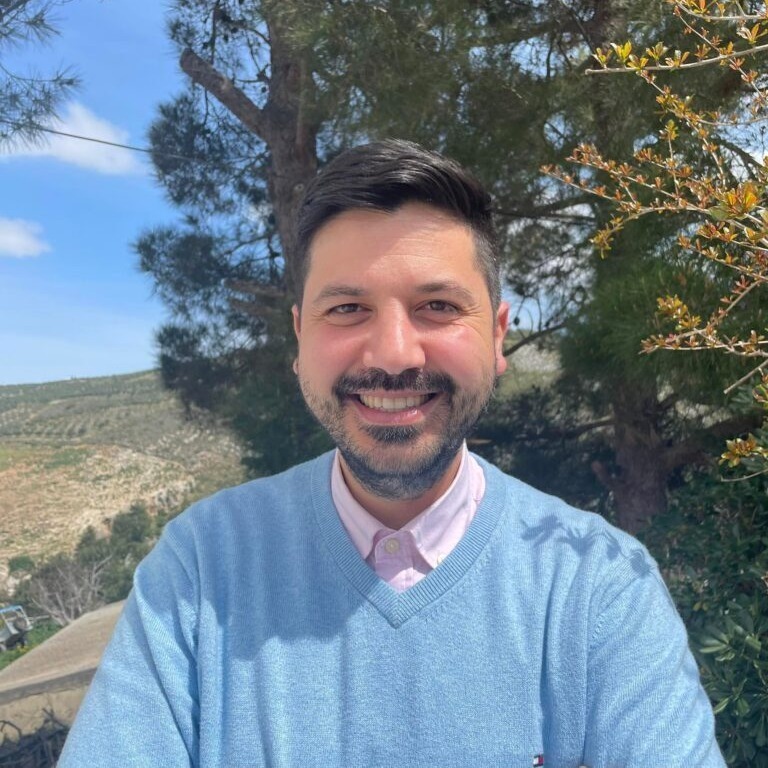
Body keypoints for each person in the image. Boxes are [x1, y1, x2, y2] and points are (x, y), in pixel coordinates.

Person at [59, 140, 725, 767]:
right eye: (348, 308)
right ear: (300, 340)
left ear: (497, 337)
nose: (394, 354)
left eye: (437, 305)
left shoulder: (600, 584)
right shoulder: (201, 569)